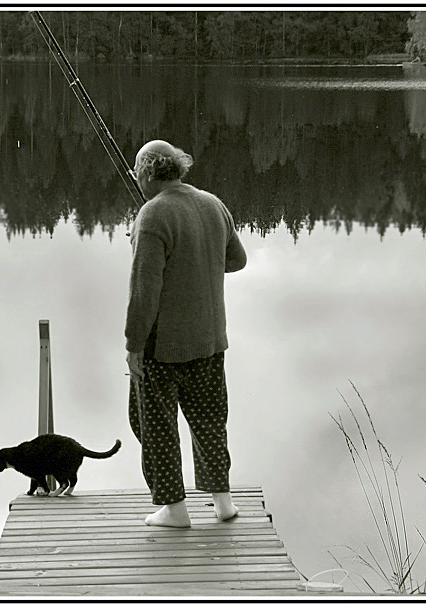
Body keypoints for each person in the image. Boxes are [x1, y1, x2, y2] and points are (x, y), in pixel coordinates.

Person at [125, 139, 247, 527]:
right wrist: (198, 264)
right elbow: (237, 259)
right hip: (210, 341)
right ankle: (223, 502)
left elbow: (144, 292)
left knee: (154, 425)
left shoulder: (151, 217)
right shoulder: (213, 204)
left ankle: (175, 510)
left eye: (136, 171)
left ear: (146, 173)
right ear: (177, 168)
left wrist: (133, 346)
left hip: (163, 347)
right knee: (210, 420)